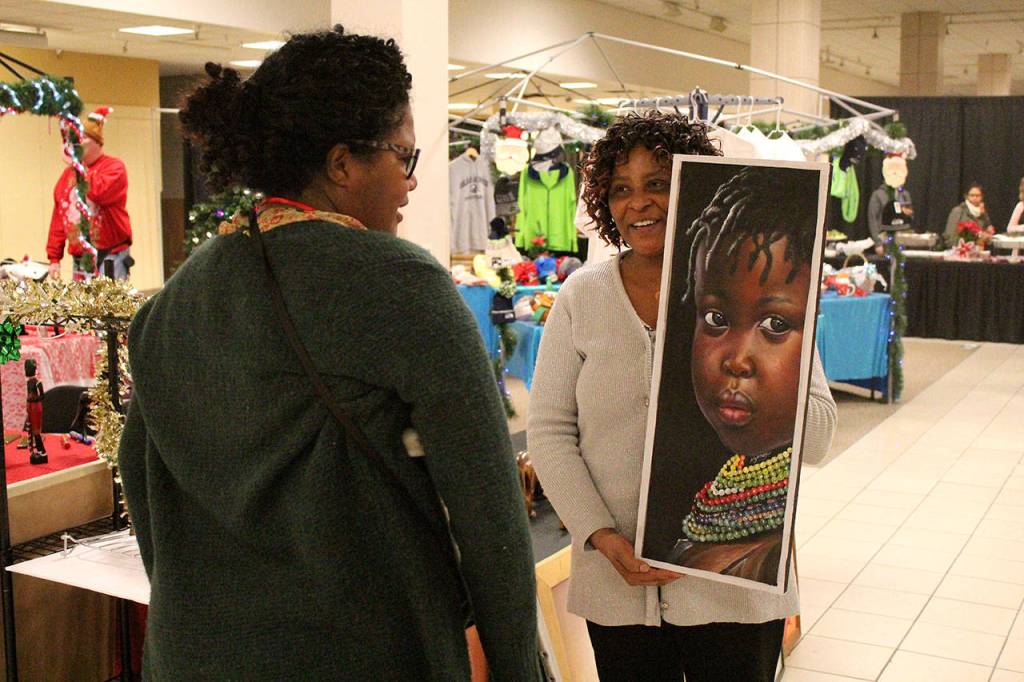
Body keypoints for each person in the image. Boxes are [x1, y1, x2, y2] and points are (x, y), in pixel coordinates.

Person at [118, 27, 539, 680]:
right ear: (343, 164)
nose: (413, 181)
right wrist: (518, 669)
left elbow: (144, 492)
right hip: (362, 652)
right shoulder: (397, 282)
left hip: (194, 655)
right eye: (405, 155)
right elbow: (492, 525)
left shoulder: (172, 302)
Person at [528, 112, 837, 682]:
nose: (638, 203)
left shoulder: (753, 288)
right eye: (620, 189)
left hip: (735, 588)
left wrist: (768, 333)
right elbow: (549, 432)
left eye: (658, 184)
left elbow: (817, 433)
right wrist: (599, 535)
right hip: (616, 580)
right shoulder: (582, 296)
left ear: (695, 188)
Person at [668, 167, 818, 584]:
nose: (737, 361)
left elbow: (820, 438)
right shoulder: (713, 499)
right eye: (716, 318)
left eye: (775, 325)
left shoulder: (760, 557)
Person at [47, 106, 134, 280]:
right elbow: (59, 218)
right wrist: (54, 257)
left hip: (110, 256)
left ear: (96, 141)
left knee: (110, 306)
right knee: (81, 306)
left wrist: (76, 166)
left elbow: (100, 193)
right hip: (80, 258)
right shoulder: (66, 177)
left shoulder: (114, 168)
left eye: (83, 137)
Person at [944, 182, 995, 247]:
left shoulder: (983, 213)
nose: (975, 198)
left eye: (978, 195)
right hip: (959, 251)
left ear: (982, 197)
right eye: (972, 195)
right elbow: (949, 237)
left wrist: (987, 236)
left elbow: (988, 234)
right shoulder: (958, 211)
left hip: (978, 251)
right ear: (966, 196)